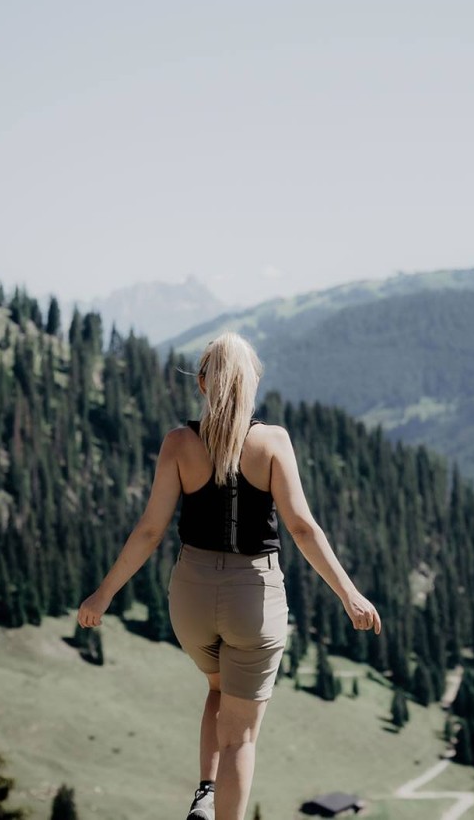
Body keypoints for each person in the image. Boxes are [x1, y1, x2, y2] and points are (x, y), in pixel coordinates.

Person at [77, 331, 381, 820]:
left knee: (217, 689)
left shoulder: (179, 443)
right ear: (252, 382)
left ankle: (205, 792)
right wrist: (350, 595)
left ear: (202, 382)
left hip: (191, 597)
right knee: (241, 736)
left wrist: (102, 594)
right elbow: (302, 528)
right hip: (253, 599)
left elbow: (150, 530)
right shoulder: (273, 442)